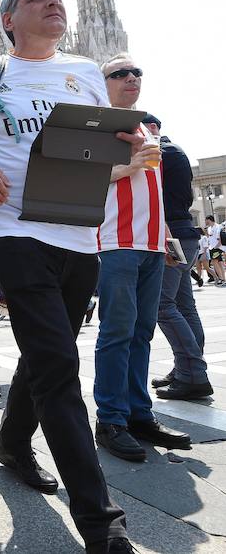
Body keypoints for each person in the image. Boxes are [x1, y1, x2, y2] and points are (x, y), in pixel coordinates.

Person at [0, 0, 134, 553]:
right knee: (59, 366)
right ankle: (101, 522)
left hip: (78, 234)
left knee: (50, 353)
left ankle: (13, 443)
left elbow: (106, 154)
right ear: (8, 20)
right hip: (12, 231)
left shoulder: (87, 73)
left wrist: (134, 151)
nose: (53, 3)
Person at [93, 56, 191, 462]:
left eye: (136, 73)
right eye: (120, 73)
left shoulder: (146, 127)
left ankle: (138, 413)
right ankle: (110, 420)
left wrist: (165, 235)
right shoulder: (97, 124)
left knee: (142, 331)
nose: (131, 78)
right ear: (102, 82)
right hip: (116, 241)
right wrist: (129, 164)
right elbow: (79, 177)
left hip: (151, 244)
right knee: (117, 332)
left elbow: (153, 188)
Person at [145, 115, 214, 401]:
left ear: (151, 128)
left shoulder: (160, 152)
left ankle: (192, 373)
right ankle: (187, 368)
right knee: (185, 306)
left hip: (172, 234)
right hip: (185, 233)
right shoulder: (176, 151)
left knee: (163, 305)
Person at [205, 215, 225, 285]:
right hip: (212, 247)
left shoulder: (218, 227)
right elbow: (210, 238)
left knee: (215, 262)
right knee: (219, 263)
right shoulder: (209, 228)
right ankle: (223, 279)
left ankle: (221, 278)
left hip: (217, 247)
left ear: (209, 220)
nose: (205, 222)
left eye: (206, 220)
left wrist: (217, 247)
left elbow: (219, 238)